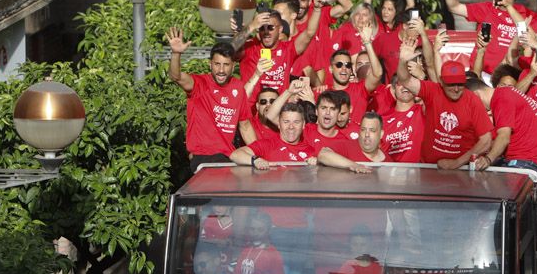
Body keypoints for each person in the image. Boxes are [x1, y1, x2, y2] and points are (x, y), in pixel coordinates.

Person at [166, 30, 257, 172]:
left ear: (233, 66)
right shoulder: (199, 84)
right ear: (210, 64)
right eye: (217, 64)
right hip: (204, 157)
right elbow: (175, 76)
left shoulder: (238, 87)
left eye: (226, 65)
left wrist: (261, 153)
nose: (221, 70)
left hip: (229, 156)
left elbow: (245, 126)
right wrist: (176, 53)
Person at [396, 37, 493, 169]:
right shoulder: (432, 91)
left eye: (460, 83)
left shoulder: (473, 101)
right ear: (441, 82)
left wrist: (456, 163)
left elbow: (486, 140)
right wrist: (402, 61)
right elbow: (405, 80)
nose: (456, 88)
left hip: (461, 172)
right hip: (429, 169)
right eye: (451, 84)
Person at [231, 101, 372, 173]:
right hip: (271, 217)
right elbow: (236, 155)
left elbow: (328, 161)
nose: (291, 127)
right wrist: (255, 160)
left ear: (304, 125)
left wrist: (318, 165)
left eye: (296, 122)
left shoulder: (310, 150)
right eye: (286, 122)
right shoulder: (268, 144)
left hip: (303, 219)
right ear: (279, 124)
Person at [443, 0, 537, 75]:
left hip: (509, 76)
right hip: (482, 73)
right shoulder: (487, 9)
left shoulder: (525, 14)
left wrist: (508, 6)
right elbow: (454, 7)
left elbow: (532, 39)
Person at [465, 78, 537, 174]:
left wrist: (488, 159)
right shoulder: (504, 93)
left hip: (527, 163)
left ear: (476, 95)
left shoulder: (501, 99)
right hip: (528, 160)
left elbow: (504, 138)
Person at [373, 77, 424, 162]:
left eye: (409, 84)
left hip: (419, 171)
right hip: (389, 172)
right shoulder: (382, 119)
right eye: (400, 84)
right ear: (393, 89)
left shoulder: (423, 111)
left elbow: (437, 92)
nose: (405, 87)